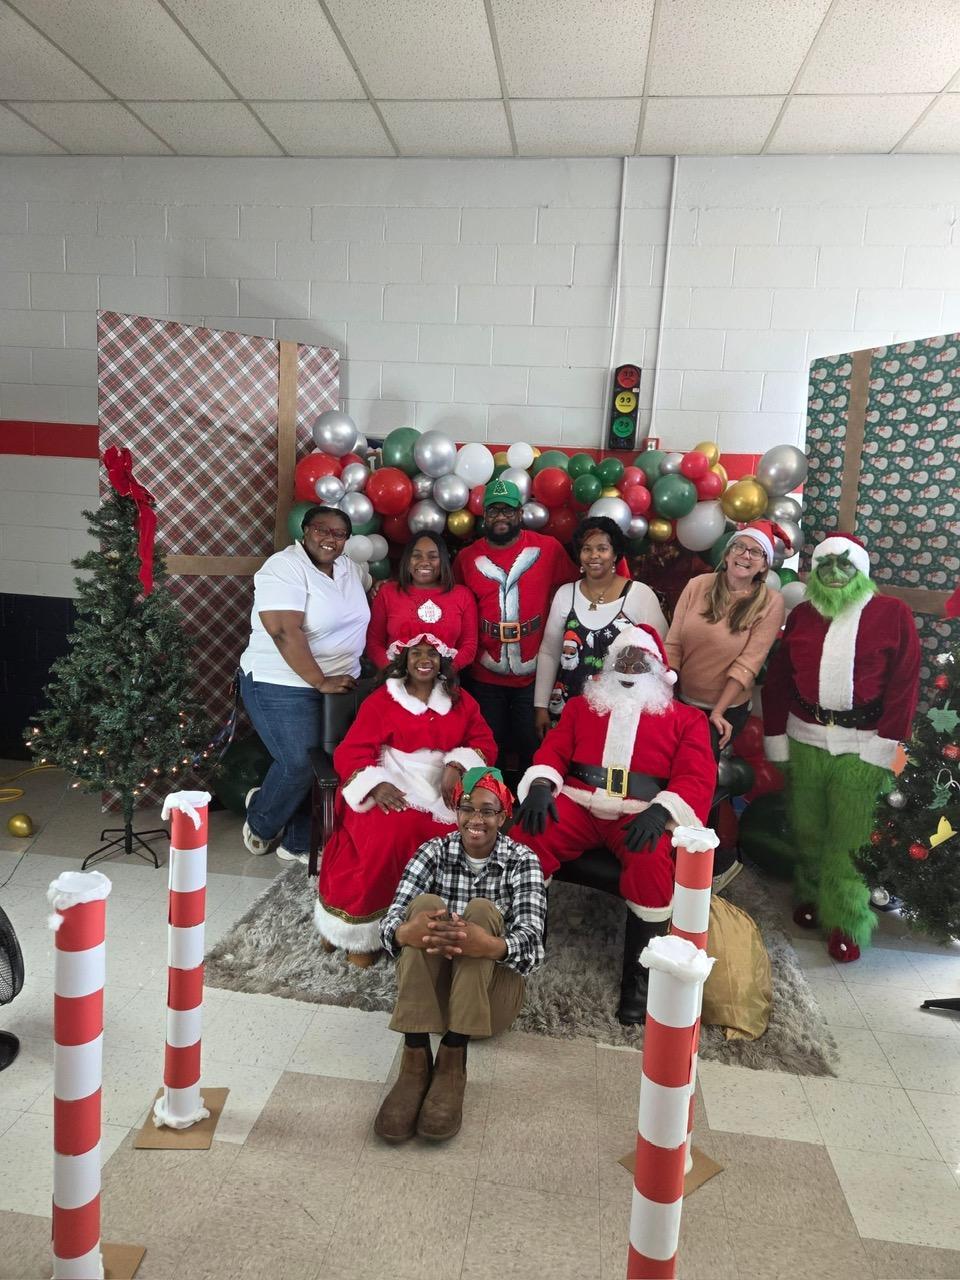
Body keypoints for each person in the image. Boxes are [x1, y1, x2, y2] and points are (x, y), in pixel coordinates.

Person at [514, 625, 716, 1025]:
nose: (629, 668)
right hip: (579, 801)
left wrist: (662, 811)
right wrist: (539, 784)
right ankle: (522, 941)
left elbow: (696, 775)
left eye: (638, 662)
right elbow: (554, 750)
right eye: (622, 660)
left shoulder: (688, 719)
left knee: (651, 861)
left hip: (641, 811)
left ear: (659, 670)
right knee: (527, 835)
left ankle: (641, 978)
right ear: (607, 665)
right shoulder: (580, 707)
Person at [763, 533, 920, 962]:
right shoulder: (802, 615)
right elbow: (778, 681)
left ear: (861, 570)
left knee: (850, 839)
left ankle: (847, 918)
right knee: (808, 828)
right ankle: (812, 894)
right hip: (804, 740)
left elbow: (905, 685)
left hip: (864, 745)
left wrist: (885, 747)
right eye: (825, 565)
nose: (834, 573)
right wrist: (775, 737)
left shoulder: (892, 613)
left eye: (845, 564)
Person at [374, 766, 546, 1144]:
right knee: (424, 906)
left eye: (488, 811)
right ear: (456, 811)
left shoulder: (523, 860)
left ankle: (453, 1060)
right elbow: (390, 923)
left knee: (482, 911)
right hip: (432, 999)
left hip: (488, 1002)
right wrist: (405, 932)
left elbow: (533, 946)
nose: (476, 819)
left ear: (504, 815)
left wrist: (488, 945)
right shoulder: (432, 851)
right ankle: (415, 1060)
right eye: (467, 808)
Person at [315, 634, 496, 965]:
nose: (424, 660)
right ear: (404, 659)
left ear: (442, 660)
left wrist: (456, 765)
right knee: (388, 836)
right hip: (392, 777)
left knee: (464, 835)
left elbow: (483, 741)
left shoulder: (461, 700)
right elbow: (352, 750)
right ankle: (364, 932)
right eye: (416, 653)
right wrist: (376, 785)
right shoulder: (382, 700)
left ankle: (441, 930)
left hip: (442, 784)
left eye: (432, 653)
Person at [238, 505, 370, 865]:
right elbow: (283, 630)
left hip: (341, 684)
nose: (330, 538)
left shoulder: (349, 569)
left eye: (339, 533)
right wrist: (319, 680)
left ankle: (298, 841)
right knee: (299, 761)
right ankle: (261, 820)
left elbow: (364, 595)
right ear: (305, 530)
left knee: (326, 762)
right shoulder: (283, 567)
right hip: (280, 681)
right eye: (321, 529)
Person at [665, 520, 787, 890]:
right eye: (739, 547)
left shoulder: (770, 602)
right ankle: (675, 858)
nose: (745, 556)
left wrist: (718, 711)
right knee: (672, 776)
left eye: (755, 552)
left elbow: (748, 663)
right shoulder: (698, 586)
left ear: (764, 565)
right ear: (727, 552)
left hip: (726, 709)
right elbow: (674, 643)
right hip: (681, 701)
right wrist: (665, 691)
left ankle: (716, 864)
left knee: (700, 783)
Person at [453, 476, 578, 777]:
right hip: (484, 677)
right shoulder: (467, 558)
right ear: (484, 515)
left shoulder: (549, 549)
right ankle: (489, 803)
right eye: (493, 510)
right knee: (485, 750)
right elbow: (452, 604)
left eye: (507, 510)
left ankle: (528, 803)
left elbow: (578, 588)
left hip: (533, 677)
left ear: (520, 513)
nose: (501, 517)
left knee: (533, 748)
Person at [533, 515, 667, 736]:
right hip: (567, 710)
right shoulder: (566, 594)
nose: (593, 555)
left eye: (602, 548)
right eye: (586, 549)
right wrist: (540, 706)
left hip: (622, 712)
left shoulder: (639, 595)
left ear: (615, 554)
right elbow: (549, 652)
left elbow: (661, 656)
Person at [366, 531, 478, 671]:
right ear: (407, 560)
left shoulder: (463, 595)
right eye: (417, 556)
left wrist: (444, 673)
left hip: (444, 679)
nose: (424, 562)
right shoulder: (387, 592)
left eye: (433, 556)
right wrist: (394, 673)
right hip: (395, 678)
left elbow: (469, 645)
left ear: (443, 560)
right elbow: (374, 643)